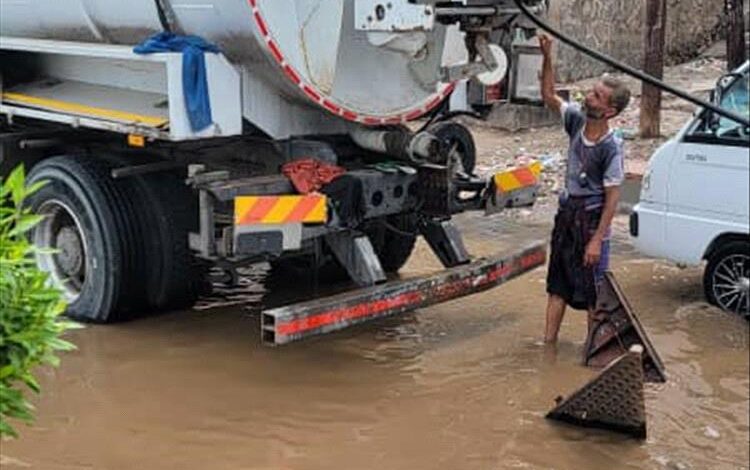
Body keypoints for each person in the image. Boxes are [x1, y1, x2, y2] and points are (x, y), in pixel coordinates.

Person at [537, 34, 631, 344]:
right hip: (567, 216)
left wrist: (597, 240)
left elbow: (613, 198)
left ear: (609, 111)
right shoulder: (576, 121)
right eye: (592, 92)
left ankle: (593, 351)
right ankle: (547, 347)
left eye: (597, 97)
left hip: (591, 222)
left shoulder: (611, 148)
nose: (589, 97)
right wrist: (547, 55)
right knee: (558, 286)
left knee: (594, 294)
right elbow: (549, 94)